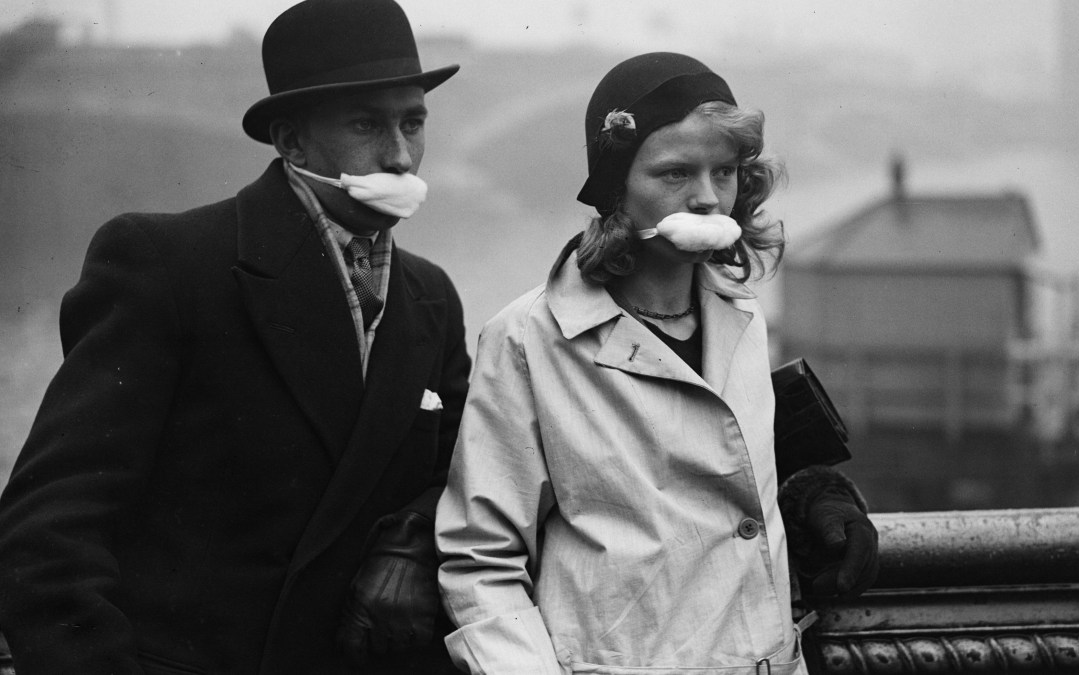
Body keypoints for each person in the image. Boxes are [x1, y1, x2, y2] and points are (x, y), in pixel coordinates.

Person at [0, 1, 470, 673]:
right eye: (367, 124)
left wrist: (413, 542)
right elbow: (49, 529)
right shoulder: (168, 264)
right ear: (292, 141)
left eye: (412, 123)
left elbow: (463, 471)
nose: (399, 156)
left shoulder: (431, 297)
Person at [436, 52, 877, 674]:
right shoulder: (528, 339)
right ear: (616, 189)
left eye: (724, 171)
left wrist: (813, 498)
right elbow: (481, 561)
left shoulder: (743, 319)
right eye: (674, 173)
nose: (707, 198)